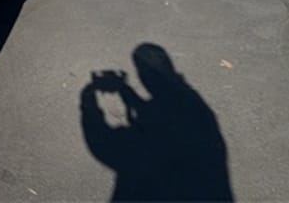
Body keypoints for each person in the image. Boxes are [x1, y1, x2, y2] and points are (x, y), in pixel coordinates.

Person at [80, 43, 234, 202]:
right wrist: (125, 91)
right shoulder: (195, 109)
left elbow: (103, 146)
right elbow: (154, 113)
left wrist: (88, 97)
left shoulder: (153, 142)